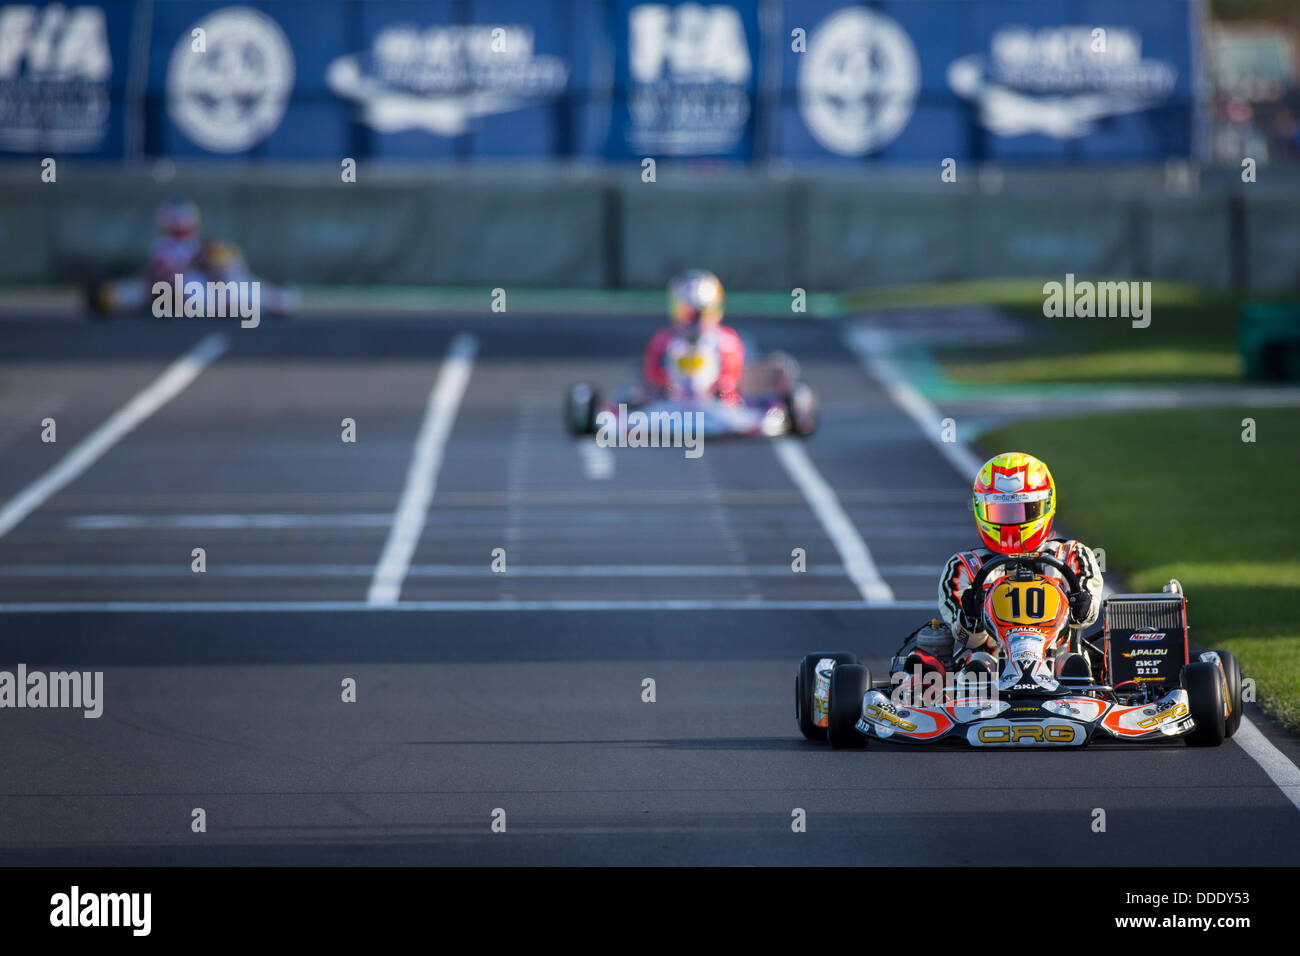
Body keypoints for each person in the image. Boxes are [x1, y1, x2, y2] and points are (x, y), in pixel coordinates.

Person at [937, 452, 1103, 668]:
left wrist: (1081, 604)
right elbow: (967, 638)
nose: (1011, 522)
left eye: (1021, 511)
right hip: (992, 670)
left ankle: (1077, 685)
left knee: (1073, 663)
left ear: (1045, 505)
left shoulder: (1071, 555)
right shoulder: (964, 567)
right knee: (978, 664)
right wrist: (970, 615)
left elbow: (1086, 618)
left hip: (1057, 666)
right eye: (999, 512)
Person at [642, 269, 745, 404]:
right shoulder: (662, 341)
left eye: (700, 314)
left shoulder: (726, 342)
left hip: (717, 411)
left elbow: (731, 380)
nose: (694, 321)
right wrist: (665, 388)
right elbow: (652, 378)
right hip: (670, 409)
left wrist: (717, 391)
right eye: (685, 313)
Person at [148, 200, 203, 285]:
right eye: (175, 219)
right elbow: (163, 273)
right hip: (173, 290)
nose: (180, 223)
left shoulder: (198, 244)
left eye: (186, 217)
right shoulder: (163, 246)